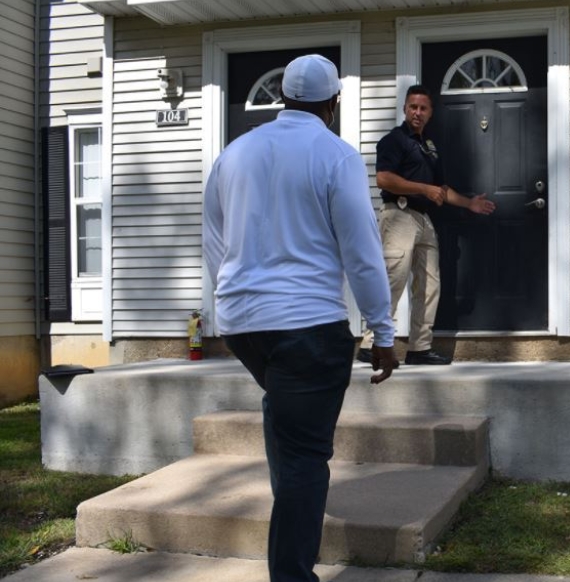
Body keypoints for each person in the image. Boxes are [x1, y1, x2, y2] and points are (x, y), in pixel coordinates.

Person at [202, 54, 397, 582]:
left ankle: (288, 525)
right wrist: (383, 331)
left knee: (286, 424)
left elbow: (215, 245)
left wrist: (225, 313)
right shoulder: (334, 155)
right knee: (307, 458)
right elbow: (362, 251)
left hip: (245, 325)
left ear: (283, 97)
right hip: (308, 324)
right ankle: (291, 575)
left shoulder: (233, 154)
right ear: (332, 103)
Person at [355, 84, 496, 366]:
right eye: (413, 107)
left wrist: (469, 203)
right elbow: (384, 179)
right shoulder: (394, 141)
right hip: (398, 216)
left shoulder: (429, 146)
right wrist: (422, 189)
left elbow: (440, 189)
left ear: (430, 112)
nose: (417, 112)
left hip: (424, 219)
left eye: (423, 108)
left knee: (430, 286)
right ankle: (371, 344)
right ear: (405, 109)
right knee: (392, 282)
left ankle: (419, 348)